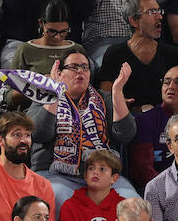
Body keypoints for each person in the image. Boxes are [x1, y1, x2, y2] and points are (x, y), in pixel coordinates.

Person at [29, 51, 138, 202]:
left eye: (84, 67)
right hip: (55, 174)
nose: (80, 71)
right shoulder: (42, 97)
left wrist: (117, 92)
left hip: (103, 175)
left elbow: (126, 135)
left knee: (131, 202)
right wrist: (54, 94)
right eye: (73, 67)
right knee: (59, 196)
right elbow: (39, 133)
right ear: (59, 74)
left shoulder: (104, 98)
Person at [96, 0, 178, 110]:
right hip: (127, 117)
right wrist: (119, 102)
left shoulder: (172, 54)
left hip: (164, 118)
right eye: (152, 12)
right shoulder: (115, 53)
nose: (160, 17)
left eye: (159, 11)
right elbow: (105, 94)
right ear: (134, 21)